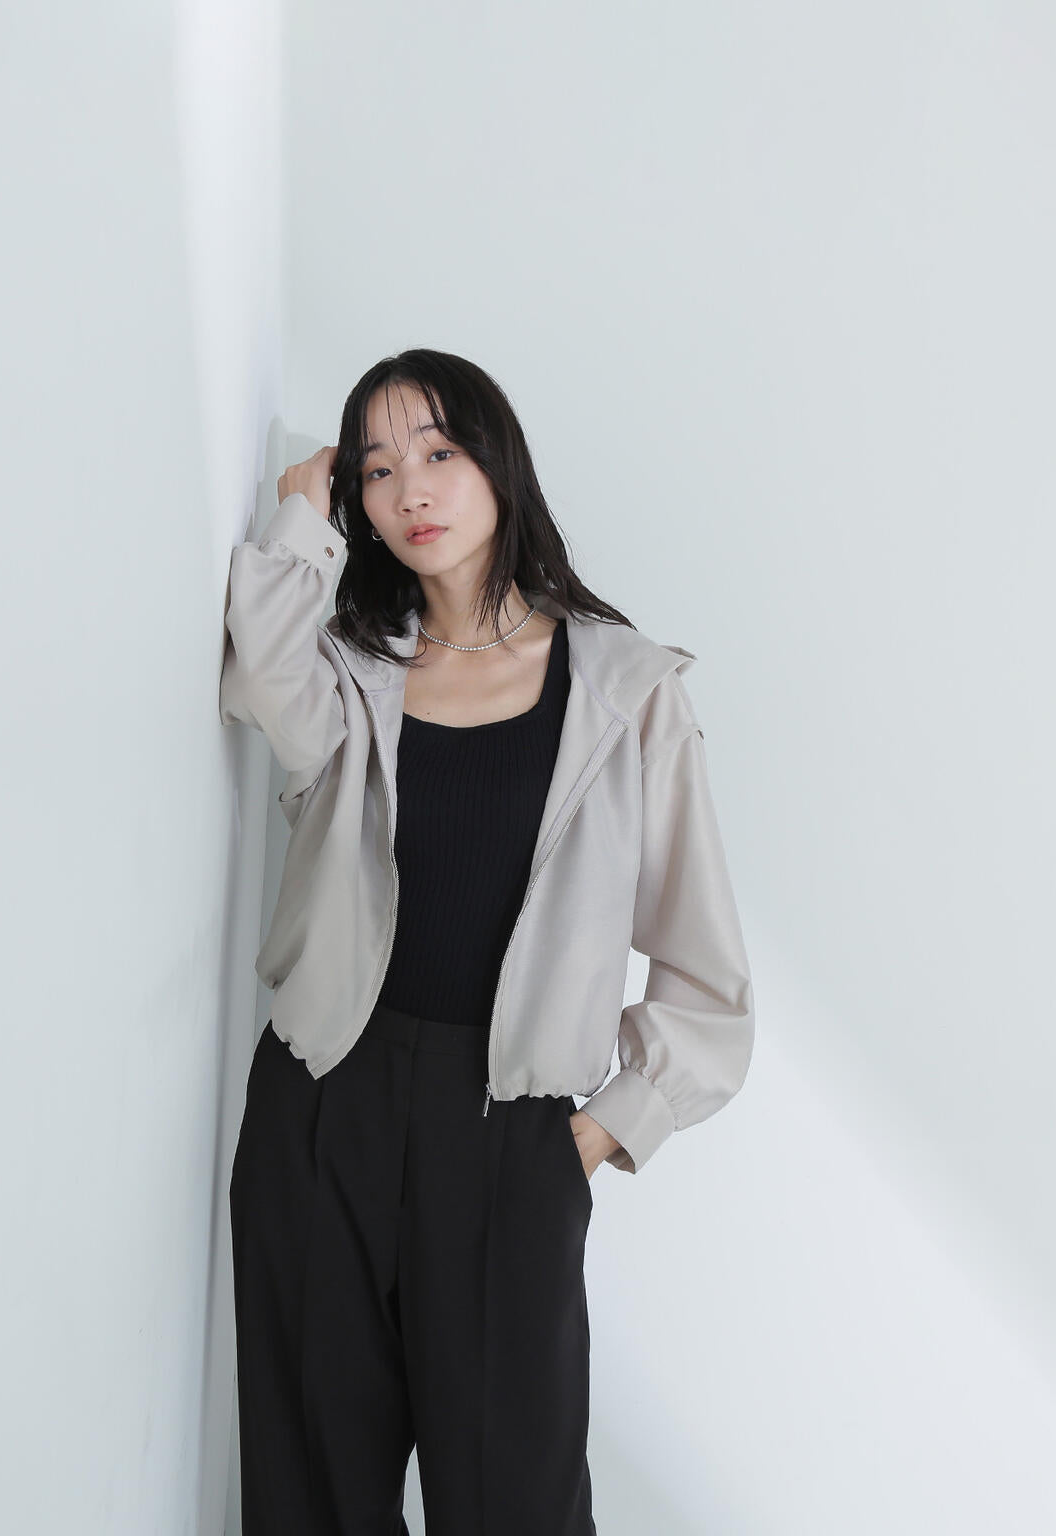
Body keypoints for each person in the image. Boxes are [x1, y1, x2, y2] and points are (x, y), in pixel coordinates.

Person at [219, 348, 755, 1535]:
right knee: (309, 1499)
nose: (409, 489)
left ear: (498, 463)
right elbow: (258, 670)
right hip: (323, 1105)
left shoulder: (623, 692)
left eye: (438, 452)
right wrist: (299, 518)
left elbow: (706, 975)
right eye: (375, 470)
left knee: (515, 1505)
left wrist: (596, 1135)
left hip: (509, 1133)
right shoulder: (351, 671)